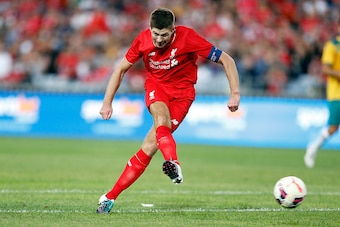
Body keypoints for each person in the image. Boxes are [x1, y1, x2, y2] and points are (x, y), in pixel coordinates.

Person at [96, 8, 240, 213]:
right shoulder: (143, 40)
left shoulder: (188, 37)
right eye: (155, 34)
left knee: (148, 147)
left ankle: (109, 197)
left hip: (183, 96)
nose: (159, 39)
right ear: (150, 28)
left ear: (174, 31)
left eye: (164, 35)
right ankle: (173, 163)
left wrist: (234, 93)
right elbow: (120, 69)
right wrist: (107, 102)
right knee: (161, 119)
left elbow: (227, 60)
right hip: (157, 87)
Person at [304, 22, 340, 168]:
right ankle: (313, 147)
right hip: (337, 93)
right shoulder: (332, 45)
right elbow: (325, 69)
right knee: (333, 127)